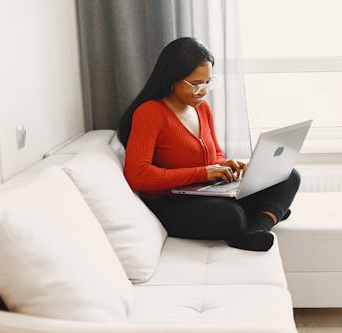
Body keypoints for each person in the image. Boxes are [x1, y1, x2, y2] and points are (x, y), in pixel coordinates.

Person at [118, 37, 300, 251]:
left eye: (207, 82)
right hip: (170, 203)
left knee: (288, 175)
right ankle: (265, 213)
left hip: (207, 192)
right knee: (230, 216)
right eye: (195, 84)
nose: (203, 91)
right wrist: (203, 173)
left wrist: (225, 166)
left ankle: (257, 228)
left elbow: (215, 154)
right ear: (172, 79)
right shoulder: (150, 113)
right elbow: (137, 175)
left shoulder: (201, 108)